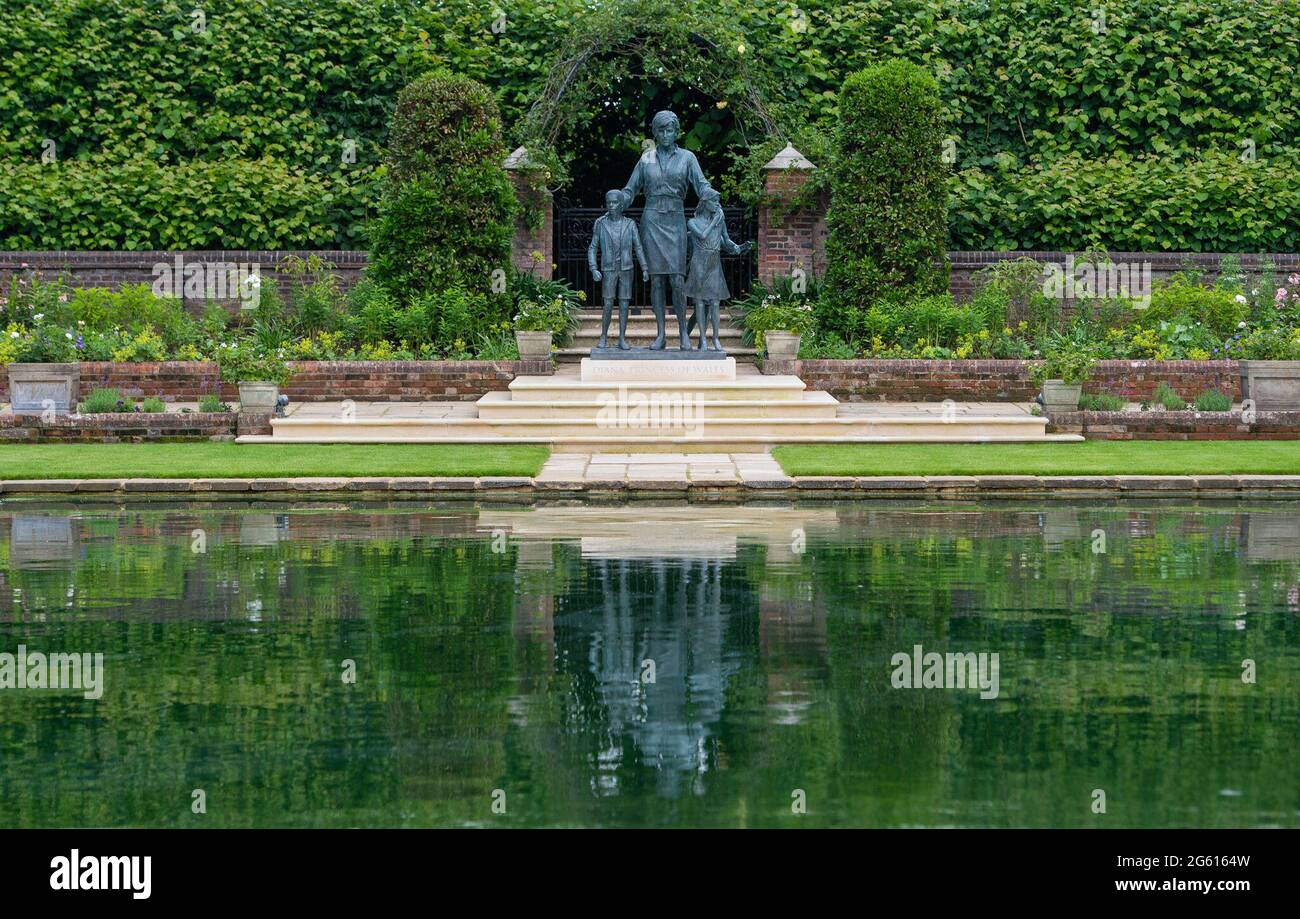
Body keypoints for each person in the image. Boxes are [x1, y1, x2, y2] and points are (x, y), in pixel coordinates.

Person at [620, 110, 715, 350]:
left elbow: (701, 185)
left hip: (675, 219)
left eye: (669, 130)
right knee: (657, 281)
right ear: (654, 132)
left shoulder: (687, 158)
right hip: (651, 220)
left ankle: (683, 333)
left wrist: (711, 197)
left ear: (677, 132)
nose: (665, 134)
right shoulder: (647, 158)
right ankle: (661, 334)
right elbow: (631, 189)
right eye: (660, 130)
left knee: (677, 279)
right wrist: (619, 199)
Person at [684, 189, 751, 351]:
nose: (717, 204)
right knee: (699, 303)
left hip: (714, 264)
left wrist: (740, 248)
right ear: (705, 202)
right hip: (699, 263)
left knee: (714, 303)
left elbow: (726, 241)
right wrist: (715, 222)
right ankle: (703, 339)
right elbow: (702, 236)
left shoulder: (719, 221)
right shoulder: (693, 222)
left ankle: (715, 338)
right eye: (714, 201)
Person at [587, 189, 647, 350]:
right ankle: (603, 336)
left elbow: (638, 248)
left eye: (615, 202)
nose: (611, 205)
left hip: (626, 269)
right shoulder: (601, 223)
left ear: (621, 205)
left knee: (624, 305)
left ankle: (622, 338)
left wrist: (645, 268)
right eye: (609, 202)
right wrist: (593, 268)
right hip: (608, 269)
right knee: (607, 304)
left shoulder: (630, 224)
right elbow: (593, 248)